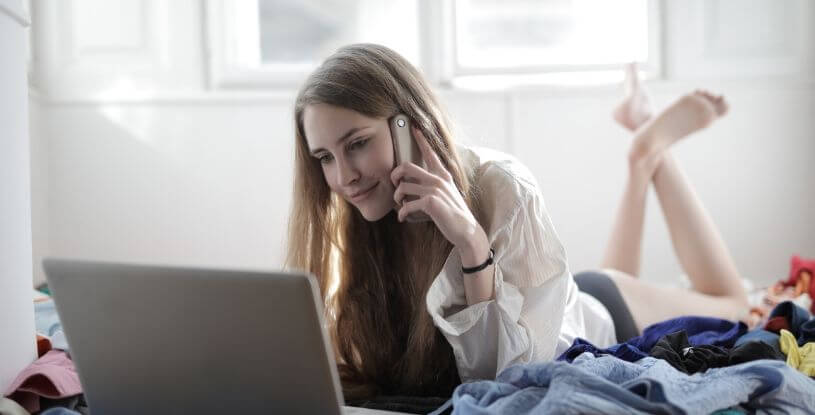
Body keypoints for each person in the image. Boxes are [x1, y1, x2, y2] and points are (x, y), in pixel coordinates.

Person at [285, 44, 750, 400]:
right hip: (560, 300)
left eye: (357, 144)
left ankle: (647, 152)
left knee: (735, 302)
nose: (343, 177)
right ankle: (641, 151)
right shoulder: (364, 219)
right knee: (607, 277)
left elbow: (512, 378)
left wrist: (469, 242)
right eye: (325, 157)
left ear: (409, 126)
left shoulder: (504, 186)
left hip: (598, 316)